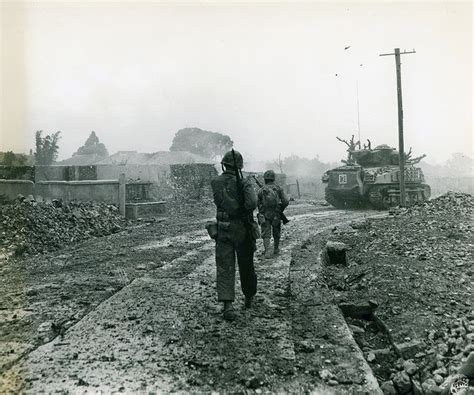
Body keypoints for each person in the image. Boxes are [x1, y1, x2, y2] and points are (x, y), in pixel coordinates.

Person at [210, 150, 258, 321]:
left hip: (223, 228)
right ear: (239, 166)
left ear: (224, 164)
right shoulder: (244, 183)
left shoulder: (215, 182)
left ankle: (228, 306)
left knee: (224, 266)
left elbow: (219, 201)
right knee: (246, 265)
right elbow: (252, 203)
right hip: (242, 228)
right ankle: (249, 297)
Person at [257, 170, 289, 258]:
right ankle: (276, 249)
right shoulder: (278, 188)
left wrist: (261, 210)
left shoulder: (261, 190)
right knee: (276, 231)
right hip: (276, 214)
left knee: (266, 233)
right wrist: (280, 209)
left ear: (265, 179)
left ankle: (267, 251)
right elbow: (286, 201)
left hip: (264, 214)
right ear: (273, 178)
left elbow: (257, 202)